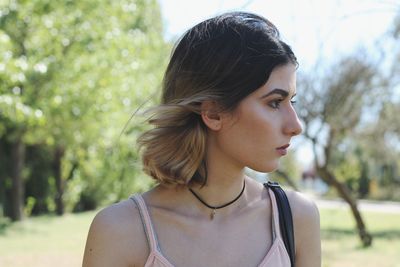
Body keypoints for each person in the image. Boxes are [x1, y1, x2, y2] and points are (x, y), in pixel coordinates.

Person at [83, 11, 321, 267]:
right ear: (213, 112)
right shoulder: (121, 231)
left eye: (291, 101)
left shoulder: (296, 219)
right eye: (275, 102)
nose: (296, 125)